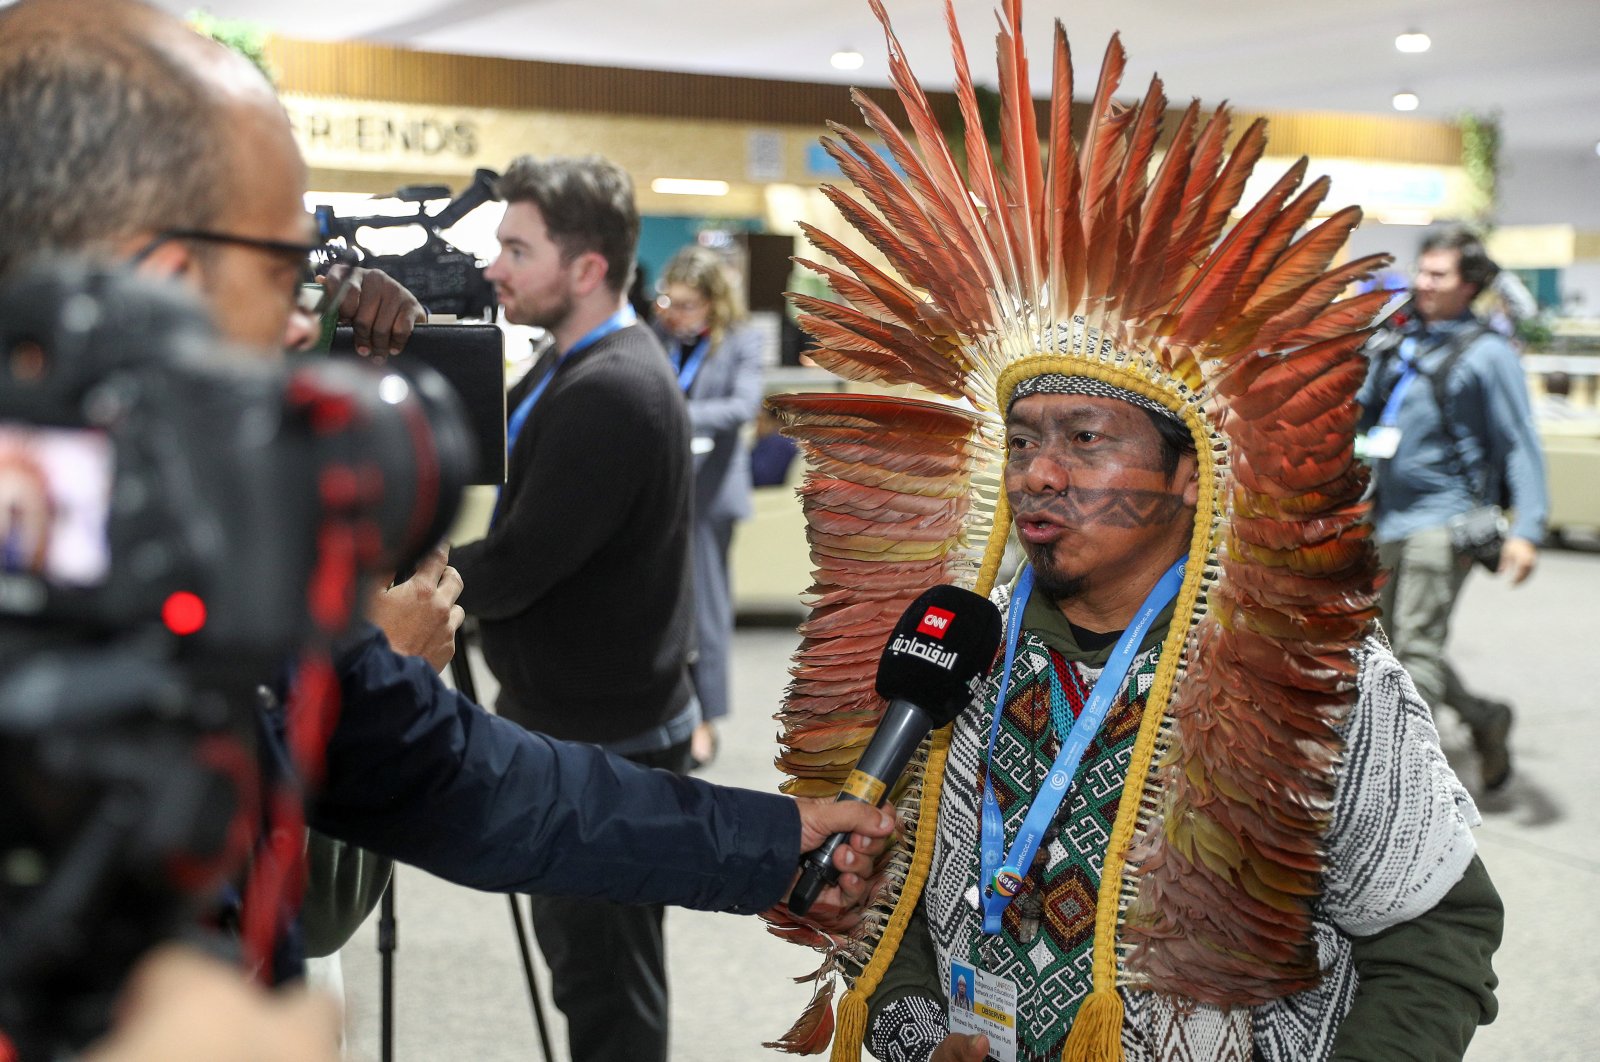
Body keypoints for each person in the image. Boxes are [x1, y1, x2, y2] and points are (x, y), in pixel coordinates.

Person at [0, 0, 895, 1033]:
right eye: (289, 270)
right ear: (161, 281)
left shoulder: (225, 550)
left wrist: (768, 842)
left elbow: (465, 779)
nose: (307, 323)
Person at [760, 4, 1503, 1060]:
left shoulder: (1309, 677)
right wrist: (920, 1029)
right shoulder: (957, 643)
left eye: (1085, 439)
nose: (1041, 475)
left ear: (1190, 475)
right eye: (1021, 442)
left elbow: (1439, 931)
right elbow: (897, 897)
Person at [445, 156, 700, 1062]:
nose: (495, 268)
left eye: (517, 249)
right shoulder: (571, 364)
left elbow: (515, 565)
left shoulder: (612, 392)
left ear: (587, 269)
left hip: (602, 746)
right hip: (581, 725)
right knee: (594, 969)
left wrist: (416, 581)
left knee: (607, 989)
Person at [1356, 227, 1549, 791]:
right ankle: (1485, 718)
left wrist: (1528, 530)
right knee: (1383, 644)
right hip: (1384, 515)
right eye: (1423, 271)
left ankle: (1405, 785)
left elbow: (1520, 442)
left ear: (1470, 285)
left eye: (1438, 275)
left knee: (1415, 645)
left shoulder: (1489, 355)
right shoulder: (1398, 341)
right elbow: (1360, 411)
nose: (1423, 282)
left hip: (1445, 519)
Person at [654, 245, 768, 767]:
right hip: (664, 489)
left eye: (688, 305)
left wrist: (675, 409)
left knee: (707, 611)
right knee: (667, 606)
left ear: (714, 303)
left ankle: (705, 719)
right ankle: (672, 709)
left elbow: (743, 407)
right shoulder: (660, 334)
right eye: (669, 302)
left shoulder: (744, 338)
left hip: (710, 495)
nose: (676, 314)